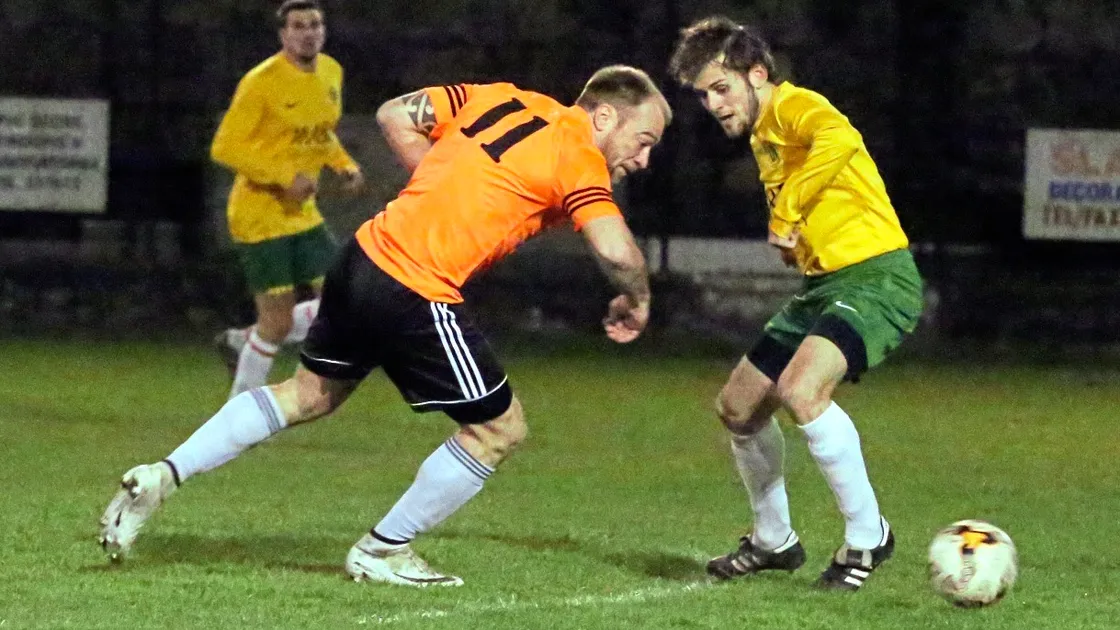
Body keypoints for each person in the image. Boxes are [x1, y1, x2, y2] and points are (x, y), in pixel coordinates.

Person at [99, 65, 671, 587]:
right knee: (499, 430)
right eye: (643, 142)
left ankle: (162, 476)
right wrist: (640, 298)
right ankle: (382, 550)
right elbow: (616, 250)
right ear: (603, 116)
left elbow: (395, 113)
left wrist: (440, 189)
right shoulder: (578, 154)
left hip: (364, 255)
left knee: (308, 394)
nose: (643, 160)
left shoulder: (502, 98)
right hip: (415, 286)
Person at [668, 16, 924, 591]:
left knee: (802, 392)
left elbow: (840, 140)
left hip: (877, 277)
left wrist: (787, 216)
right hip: (824, 285)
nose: (712, 104)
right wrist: (800, 240)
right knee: (738, 408)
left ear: (758, 74)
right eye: (704, 94)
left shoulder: (793, 106)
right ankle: (773, 540)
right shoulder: (765, 136)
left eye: (721, 88)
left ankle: (867, 536)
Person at [211, 0, 364, 399]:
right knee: (276, 324)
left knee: (344, 299)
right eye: (298, 26)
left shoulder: (332, 72)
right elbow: (225, 147)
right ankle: (238, 409)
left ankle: (244, 340)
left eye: (315, 24)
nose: (308, 32)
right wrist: (281, 177)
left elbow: (321, 132)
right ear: (284, 34)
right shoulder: (261, 81)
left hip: (303, 216)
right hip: (259, 215)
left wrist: (342, 164)